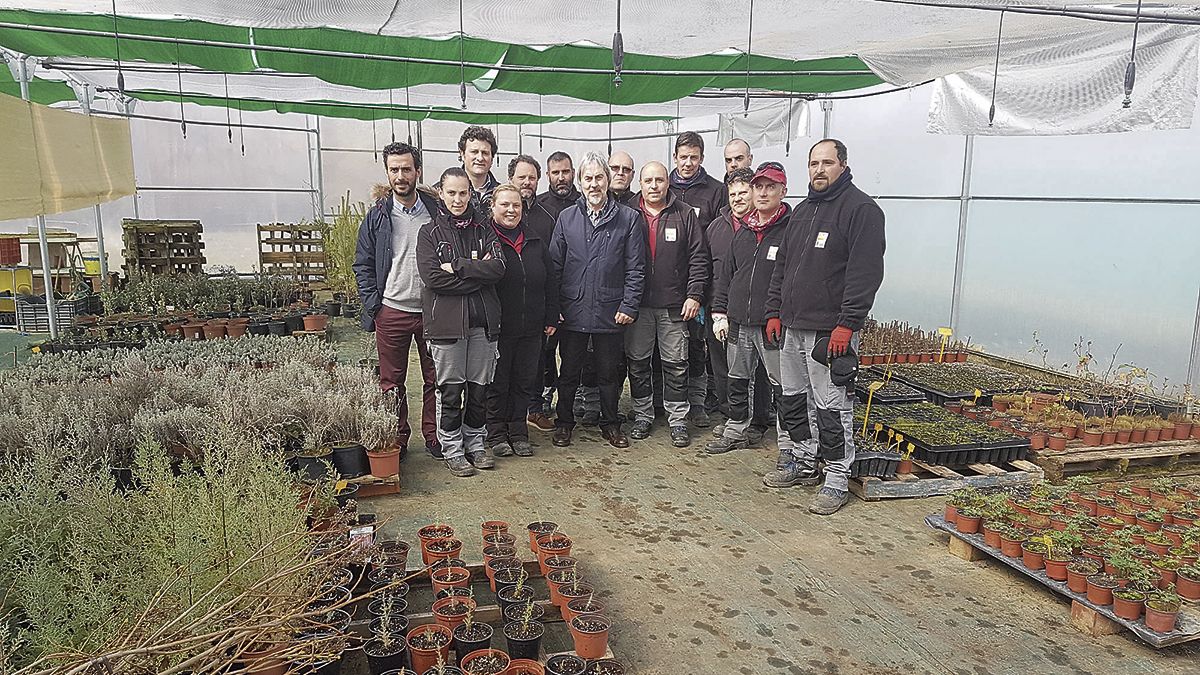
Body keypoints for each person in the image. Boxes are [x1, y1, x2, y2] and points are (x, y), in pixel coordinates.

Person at [764, 139, 886, 515]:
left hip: (828, 332)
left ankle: (835, 478)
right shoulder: (802, 211)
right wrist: (774, 311)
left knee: (832, 406)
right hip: (792, 325)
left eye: (827, 162)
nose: (819, 169)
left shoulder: (861, 210)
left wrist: (847, 324)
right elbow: (782, 266)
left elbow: (865, 273)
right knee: (792, 399)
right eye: (813, 163)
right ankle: (803, 461)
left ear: (843, 165)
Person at [548, 151, 646, 449]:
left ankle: (611, 424)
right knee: (569, 372)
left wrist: (628, 306)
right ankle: (564, 423)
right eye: (588, 178)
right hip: (573, 310)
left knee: (609, 373)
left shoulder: (628, 219)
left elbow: (636, 268)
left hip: (610, 310)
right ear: (580, 181)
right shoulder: (567, 218)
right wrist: (555, 308)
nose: (594, 184)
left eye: (599, 177)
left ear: (608, 180)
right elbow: (554, 268)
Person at [416, 167, 506, 477]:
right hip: (447, 327)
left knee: (479, 390)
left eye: (463, 193)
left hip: (483, 324)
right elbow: (433, 278)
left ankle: (476, 444)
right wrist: (478, 277)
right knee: (451, 392)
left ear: (471, 194)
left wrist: (457, 266)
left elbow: (499, 268)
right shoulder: (429, 233)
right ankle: (452, 449)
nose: (458, 199)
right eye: (452, 192)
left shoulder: (484, 228)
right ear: (440, 193)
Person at [353, 141, 440, 460]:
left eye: (406, 169)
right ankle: (398, 437)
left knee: (436, 379)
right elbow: (362, 263)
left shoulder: (436, 212)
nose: (400, 176)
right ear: (387, 173)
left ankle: (435, 435)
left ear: (418, 171)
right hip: (392, 311)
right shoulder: (377, 215)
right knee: (391, 382)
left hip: (433, 311)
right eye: (394, 170)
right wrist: (374, 306)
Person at [707, 162, 795, 465]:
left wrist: (779, 314)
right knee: (737, 379)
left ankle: (789, 444)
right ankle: (736, 429)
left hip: (771, 324)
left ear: (783, 191)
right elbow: (726, 276)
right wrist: (720, 311)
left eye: (771, 187)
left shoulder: (790, 230)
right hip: (739, 322)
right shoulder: (744, 232)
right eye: (759, 187)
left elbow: (792, 279)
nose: (763, 193)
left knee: (782, 385)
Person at [624, 162, 709, 448]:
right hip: (638, 306)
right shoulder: (627, 213)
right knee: (638, 364)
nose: (654, 186)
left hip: (674, 306)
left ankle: (677, 419)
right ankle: (642, 415)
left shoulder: (684, 214)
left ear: (667, 182)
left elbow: (699, 257)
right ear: (640, 183)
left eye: (659, 180)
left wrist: (694, 295)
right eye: (648, 180)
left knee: (676, 365)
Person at [484, 183, 558, 458]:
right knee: (498, 382)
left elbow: (550, 281)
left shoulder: (534, 240)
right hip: (498, 328)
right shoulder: (486, 240)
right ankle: (496, 433)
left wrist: (551, 315)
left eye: (516, 205)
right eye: (504, 204)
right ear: (493, 207)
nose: (511, 210)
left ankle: (518, 432)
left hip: (532, 327)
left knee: (524, 380)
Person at [705, 168, 771, 443]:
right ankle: (732, 416)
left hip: (759, 315)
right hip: (723, 310)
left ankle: (758, 421)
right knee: (726, 369)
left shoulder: (768, 229)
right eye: (733, 194)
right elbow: (710, 270)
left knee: (761, 372)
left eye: (743, 192)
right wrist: (713, 309)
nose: (738, 198)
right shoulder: (716, 228)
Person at [669, 131, 725, 427]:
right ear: (674, 157)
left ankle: (698, 403)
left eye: (694, 157)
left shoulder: (715, 191)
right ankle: (664, 402)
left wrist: (701, 291)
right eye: (683, 157)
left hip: (699, 284)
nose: (688, 163)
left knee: (695, 346)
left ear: (702, 158)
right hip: (667, 285)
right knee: (667, 350)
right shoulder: (663, 187)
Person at [459, 125, 501, 212]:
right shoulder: (444, 192)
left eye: (485, 153)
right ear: (462, 154)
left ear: (492, 157)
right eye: (474, 152)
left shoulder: (502, 194)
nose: (480, 158)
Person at [536, 151, 581, 219]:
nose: (561, 178)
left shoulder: (585, 203)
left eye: (565, 172)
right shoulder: (538, 205)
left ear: (573, 173)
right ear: (548, 175)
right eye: (555, 173)